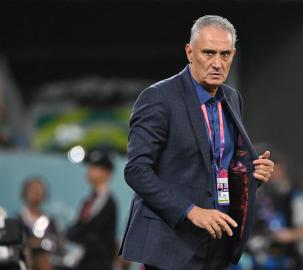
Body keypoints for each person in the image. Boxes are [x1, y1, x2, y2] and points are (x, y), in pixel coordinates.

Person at [119, 15, 274, 270]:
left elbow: (219, 167)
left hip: (217, 244)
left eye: (225, 55)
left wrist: (252, 175)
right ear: (189, 52)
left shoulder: (232, 98)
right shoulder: (159, 98)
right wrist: (190, 210)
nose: (217, 63)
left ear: (233, 55)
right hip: (171, 244)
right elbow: (136, 171)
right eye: (208, 53)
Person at [67, 150, 117, 270]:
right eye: (90, 167)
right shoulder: (88, 201)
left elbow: (91, 231)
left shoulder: (108, 203)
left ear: (107, 172)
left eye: (95, 167)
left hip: (99, 264)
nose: (89, 171)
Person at [18, 177, 63, 270]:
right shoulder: (17, 221)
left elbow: (60, 245)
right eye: (33, 189)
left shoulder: (52, 223)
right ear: (25, 192)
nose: (36, 193)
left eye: (39, 190)